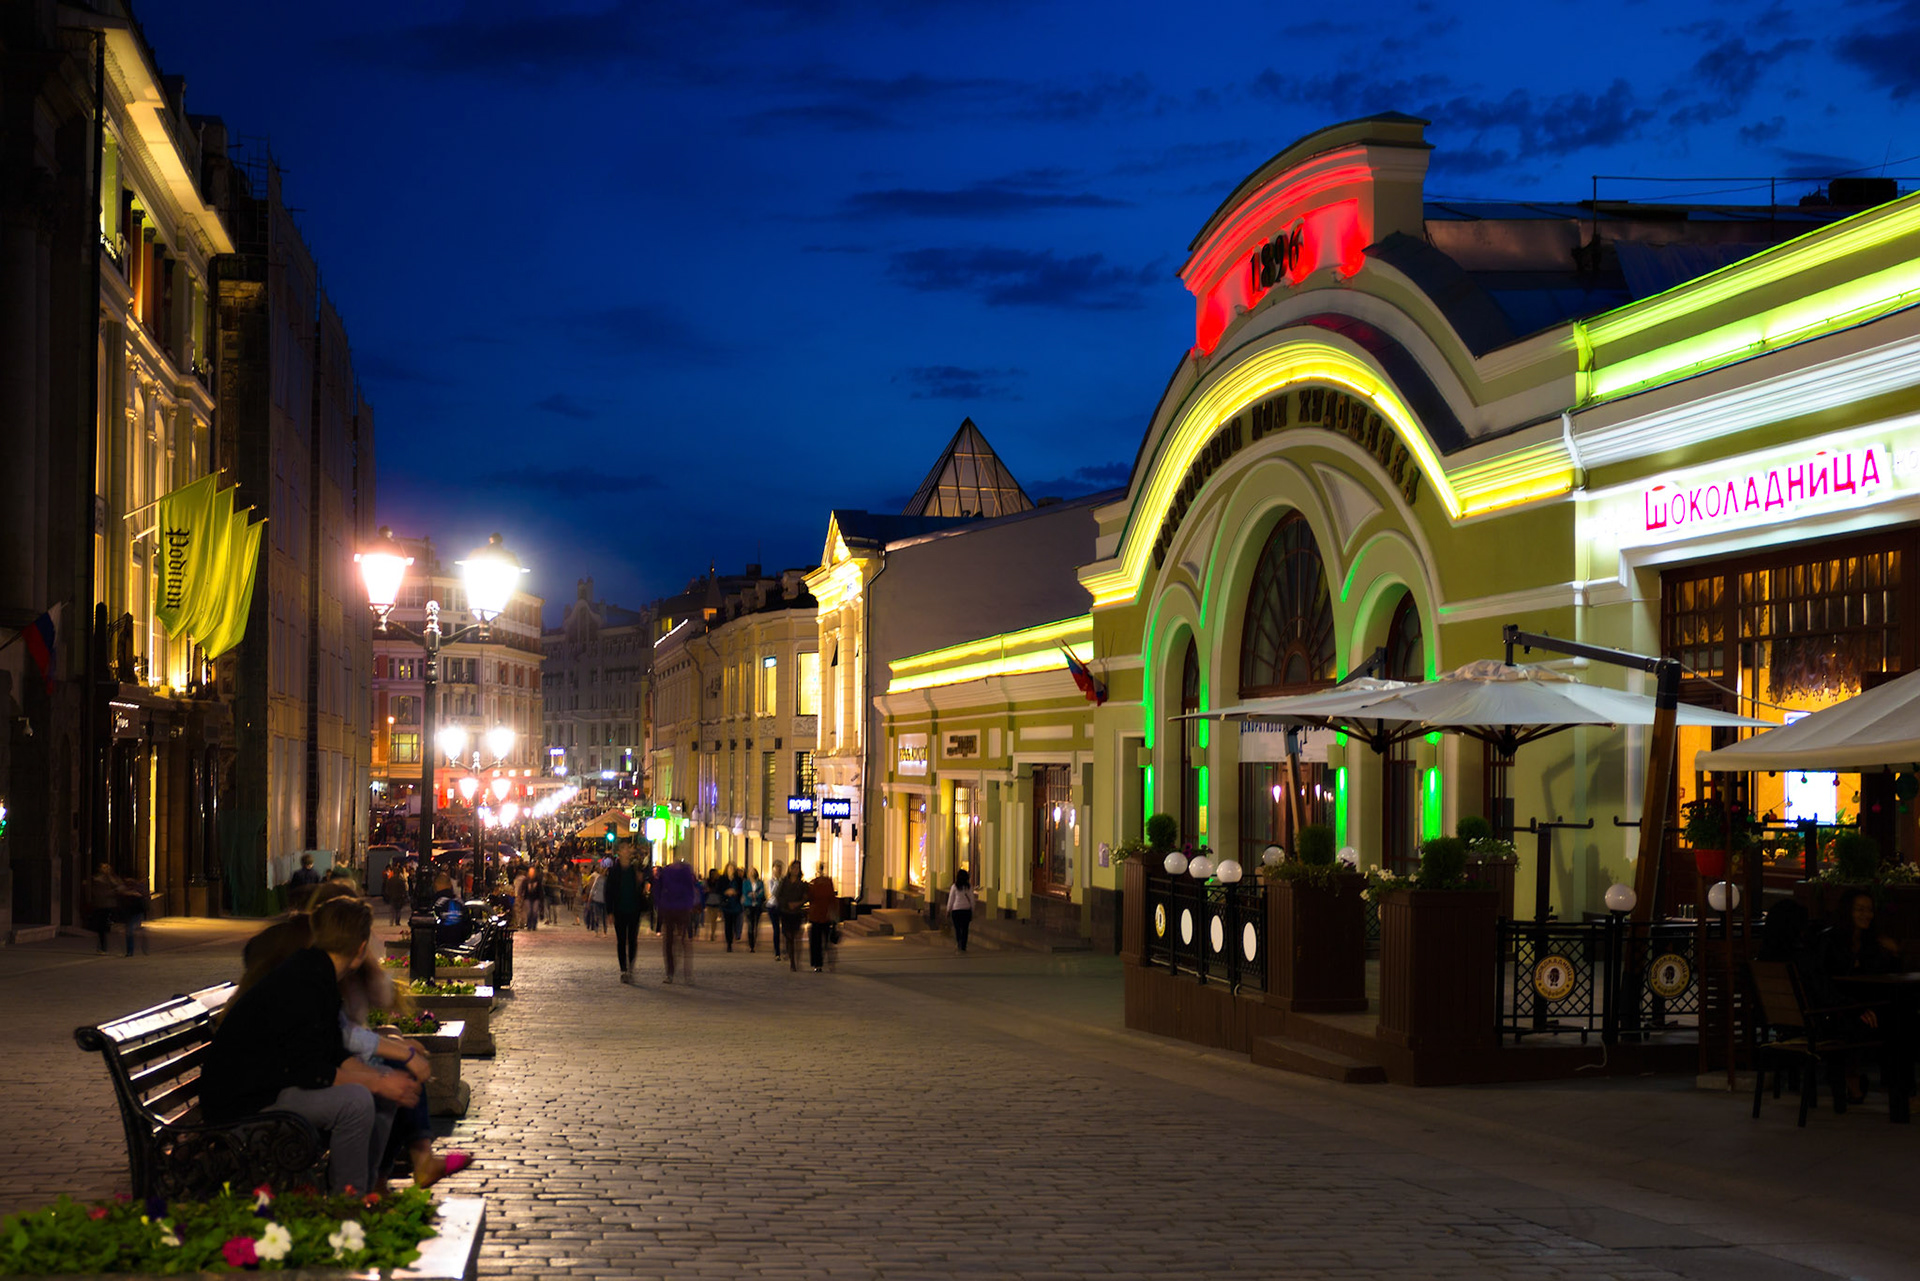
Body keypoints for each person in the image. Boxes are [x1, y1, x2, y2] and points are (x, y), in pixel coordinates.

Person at [200, 897, 420, 1195]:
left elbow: (334, 1053)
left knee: (374, 1092)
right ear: (360, 949)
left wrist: (382, 1081)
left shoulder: (317, 973)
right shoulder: (305, 981)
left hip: (268, 1090)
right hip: (244, 1107)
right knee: (356, 1101)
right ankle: (347, 1207)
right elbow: (310, 1069)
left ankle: (367, 1193)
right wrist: (379, 1082)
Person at [654, 857, 703, 985]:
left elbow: (658, 889)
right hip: (680, 909)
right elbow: (690, 889)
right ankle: (686, 974)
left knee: (671, 942)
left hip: (672, 909)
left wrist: (660, 904)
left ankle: (671, 973)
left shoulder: (667, 872)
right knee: (683, 941)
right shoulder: (685, 872)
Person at [607, 850, 648, 983]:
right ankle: (623, 969)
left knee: (632, 940)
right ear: (620, 853)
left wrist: (641, 881)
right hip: (619, 910)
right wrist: (610, 912)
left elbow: (642, 889)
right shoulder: (614, 871)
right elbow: (609, 891)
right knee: (621, 941)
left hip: (634, 910)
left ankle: (630, 967)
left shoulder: (635, 870)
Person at [774, 863, 809, 972]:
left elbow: (806, 897)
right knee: (788, 936)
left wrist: (797, 903)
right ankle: (791, 956)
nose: (795, 870)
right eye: (793, 868)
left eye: (797, 868)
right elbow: (778, 895)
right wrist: (787, 904)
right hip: (786, 912)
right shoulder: (784, 882)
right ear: (790, 869)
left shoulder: (802, 884)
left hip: (796, 913)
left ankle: (794, 961)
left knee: (795, 936)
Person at [806, 864, 838, 972]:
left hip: (817, 915)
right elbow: (832, 899)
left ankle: (818, 964)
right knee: (825, 941)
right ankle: (827, 963)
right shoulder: (827, 882)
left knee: (816, 942)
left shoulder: (813, 883)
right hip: (824, 915)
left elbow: (809, 898)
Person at [87, 864, 119, 955]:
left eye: (107, 868)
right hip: (101, 906)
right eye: (104, 868)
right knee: (101, 927)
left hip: (107, 906)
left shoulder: (111, 879)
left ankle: (102, 947)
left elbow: (118, 886)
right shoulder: (98, 879)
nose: (106, 870)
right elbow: (98, 893)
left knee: (102, 927)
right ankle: (102, 946)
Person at [947, 868, 979, 954]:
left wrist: (948, 910)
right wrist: (973, 909)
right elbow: (972, 900)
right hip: (966, 911)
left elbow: (951, 899)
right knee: (965, 929)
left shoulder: (954, 887)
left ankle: (959, 943)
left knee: (957, 929)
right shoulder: (969, 887)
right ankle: (964, 945)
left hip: (956, 910)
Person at [742, 866, 766, 954]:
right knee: (750, 924)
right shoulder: (745, 882)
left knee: (756, 924)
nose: (752, 873)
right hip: (748, 905)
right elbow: (744, 892)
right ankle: (751, 944)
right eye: (750, 872)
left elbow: (762, 892)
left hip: (757, 905)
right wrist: (751, 894)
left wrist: (756, 895)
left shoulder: (760, 883)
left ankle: (754, 943)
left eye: (753, 872)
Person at [721, 863, 745, 952]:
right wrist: (726, 892)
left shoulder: (738, 880)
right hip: (727, 905)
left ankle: (735, 936)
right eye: (729, 868)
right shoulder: (723, 879)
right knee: (728, 924)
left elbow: (741, 890)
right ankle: (729, 943)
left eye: (732, 869)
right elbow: (719, 890)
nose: (731, 870)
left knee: (736, 923)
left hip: (736, 904)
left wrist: (736, 892)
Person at [766, 860, 785, 958]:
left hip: (781, 906)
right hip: (772, 906)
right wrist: (777, 881)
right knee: (776, 929)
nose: (778, 870)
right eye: (777, 868)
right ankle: (777, 952)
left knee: (785, 929)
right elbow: (772, 892)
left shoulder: (784, 880)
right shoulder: (771, 881)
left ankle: (786, 949)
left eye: (780, 868)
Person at [382, 863, 411, 928]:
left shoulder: (390, 880)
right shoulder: (401, 880)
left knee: (392, 909)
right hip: (399, 896)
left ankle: (391, 921)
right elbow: (404, 889)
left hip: (393, 896)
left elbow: (387, 889)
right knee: (398, 910)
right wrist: (404, 895)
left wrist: (388, 894)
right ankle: (397, 921)